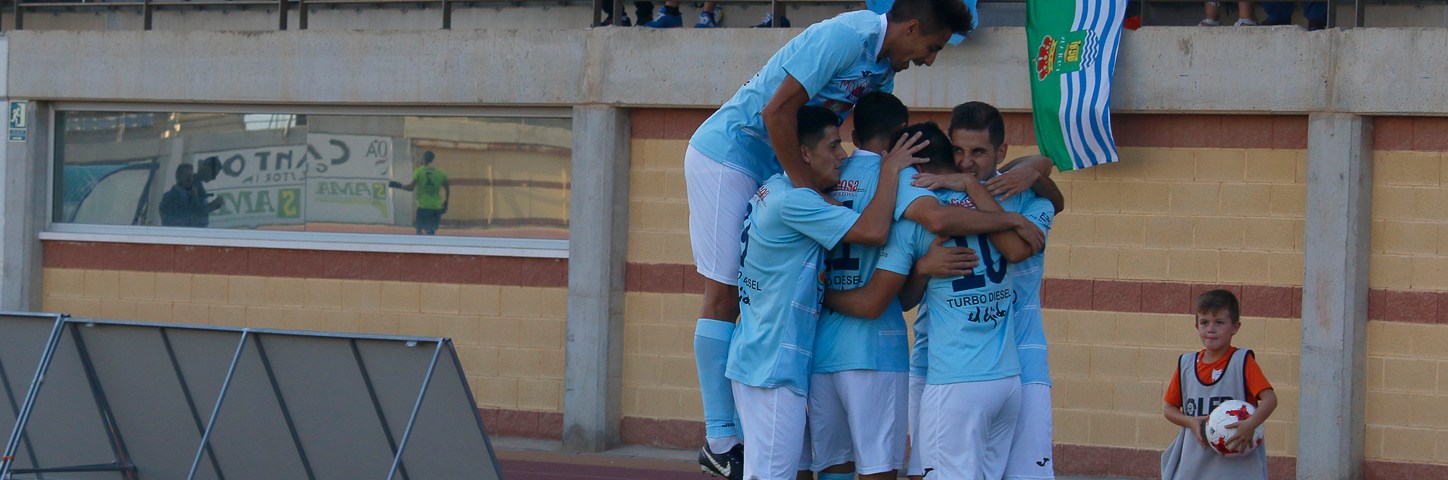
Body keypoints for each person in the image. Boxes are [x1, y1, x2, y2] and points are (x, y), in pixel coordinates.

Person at [684, 0, 972, 476]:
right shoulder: (845, 36)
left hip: (779, 170)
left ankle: (749, 417)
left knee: (769, 285)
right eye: (932, 47)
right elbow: (777, 111)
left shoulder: (883, 72)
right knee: (725, 293)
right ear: (912, 27)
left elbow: (850, 143)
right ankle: (720, 439)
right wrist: (810, 196)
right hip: (730, 155)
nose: (929, 60)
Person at [730, 106, 925, 480]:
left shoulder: (776, 187)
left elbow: (834, 211)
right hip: (773, 365)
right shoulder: (796, 200)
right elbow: (873, 232)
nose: (842, 156)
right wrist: (888, 171)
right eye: (833, 146)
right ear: (804, 152)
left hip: (766, 355)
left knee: (800, 468)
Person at [1160, 290, 1278, 479]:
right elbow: (1169, 409)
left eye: (1219, 322)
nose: (1211, 329)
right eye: (1204, 322)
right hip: (1195, 460)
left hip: (1236, 460)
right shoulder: (1186, 364)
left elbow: (1270, 399)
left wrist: (1251, 424)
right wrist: (1190, 421)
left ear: (1235, 327)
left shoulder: (1242, 361)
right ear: (1197, 326)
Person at [388, 150, 450, 235]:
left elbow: (411, 188)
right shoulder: (440, 174)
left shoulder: (419, 171)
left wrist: (399, 186)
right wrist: (446, 203)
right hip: (435, 206)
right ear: (433, 160)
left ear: (423, 159)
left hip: (423, 206)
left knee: (419, 231)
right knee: (431, 232)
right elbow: (447, 189)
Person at [160, 162, 223, 227]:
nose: (190, 179)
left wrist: (213, 206)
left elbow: (203, 220)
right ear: (178, 178)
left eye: (191, 176)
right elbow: (180, 220)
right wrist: (209, 207)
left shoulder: (196, 196)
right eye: (187, 176)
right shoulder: (169, 198)